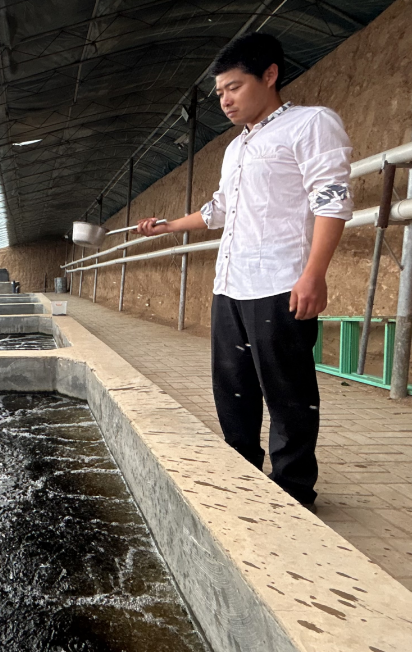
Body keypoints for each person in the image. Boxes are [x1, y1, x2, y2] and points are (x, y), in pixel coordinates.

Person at [136, 32, 353, 508]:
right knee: (232, 388)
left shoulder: (310, 124)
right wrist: (168, 226)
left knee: (287, 392)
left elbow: (331, 200)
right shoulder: (236, 148)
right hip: (230, 286)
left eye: (233, 87)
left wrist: (314, 273)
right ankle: (242, 474)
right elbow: (218, 210)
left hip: (282, 282)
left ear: (269, 75)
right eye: (219, 93)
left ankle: (294, 490)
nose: (225, 100)